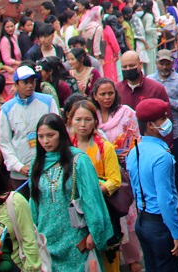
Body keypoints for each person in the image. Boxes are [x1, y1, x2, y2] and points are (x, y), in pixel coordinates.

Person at [29, 113, 113, 270]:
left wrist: (94, 233)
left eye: (50, 135)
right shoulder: (37, 164)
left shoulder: (79, 160)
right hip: (46, 238)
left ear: (61, 134)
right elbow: (34, 202)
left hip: (75, 239)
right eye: (40, 137)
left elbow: (91, 200)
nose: (45, 141)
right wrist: (31, 233)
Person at [90, 78, 143, 272]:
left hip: (123, 170)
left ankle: (132, 257)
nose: (106, 98)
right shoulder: (91, 115)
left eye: (110, 93)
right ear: (95, 95)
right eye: (102, 94)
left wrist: (127, 152)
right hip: (98, 172)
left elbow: (136, 138)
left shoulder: (126, 113)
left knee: (126, 213)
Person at [68, 100, 122, 272]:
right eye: (78, 120)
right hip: (75, 213)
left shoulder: (104, 147)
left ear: (95, 121)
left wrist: (93, 192)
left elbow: (115, 180)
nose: (82, 125)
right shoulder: (67, 148)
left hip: (102, 208)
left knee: (108, 258)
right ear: (70, 121)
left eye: (87, 119)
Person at [0, 66, 58, 193]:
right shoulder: (7, 109)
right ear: (16, 84)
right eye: (25, 82)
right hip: (20, 173)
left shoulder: (48, 101)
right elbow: (4, 142)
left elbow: (58, 132)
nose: (30, 85)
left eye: (32, 82)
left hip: (47, 167)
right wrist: (18, 166)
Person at [152, 50, 178, 188]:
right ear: (156, 63)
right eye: (161, 63)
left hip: (175, 132)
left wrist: (169, 102)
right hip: (154, 133)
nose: (164, 67)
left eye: (167, 63)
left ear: (172, 63)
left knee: (173, 166)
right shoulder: (150, 80)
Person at [115, 53, 170, 130]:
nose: (128, 69)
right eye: (124, 67)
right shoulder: (116, 90)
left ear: (140, 65)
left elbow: (166, 121)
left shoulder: (156, 89)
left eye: (131, 65)